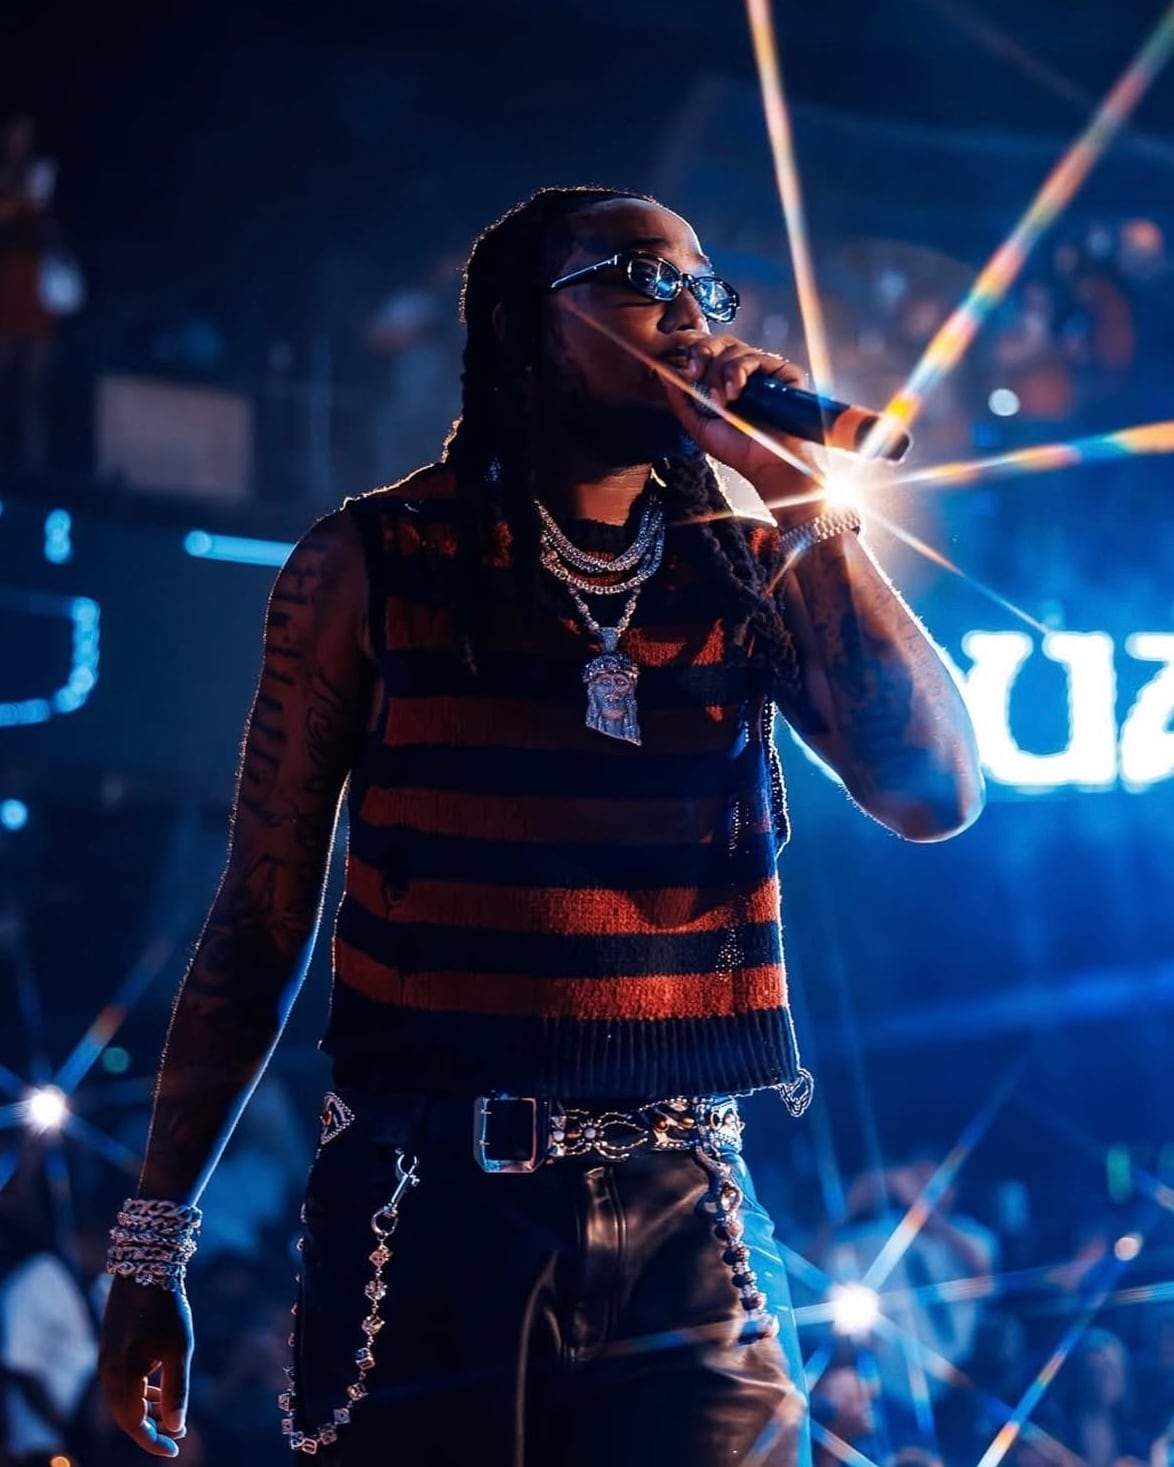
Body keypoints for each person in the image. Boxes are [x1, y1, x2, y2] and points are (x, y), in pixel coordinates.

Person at [97, 186, 984, 1466]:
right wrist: (151, 1248)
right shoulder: (375, 563)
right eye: (642, 277)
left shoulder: (748, 567)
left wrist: (803, 504)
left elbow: (932, 795)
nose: (689, 314)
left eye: (705, 287)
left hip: (692, 1215)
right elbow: (259, 916)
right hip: (427, 1213)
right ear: (523, 324)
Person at [0, 117, 57, 474]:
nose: (17, 142)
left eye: (24, 136)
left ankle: (35, 468)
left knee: (33, 387)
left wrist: (15, 203)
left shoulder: (41, 170)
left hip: (35, 285)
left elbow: (35, 209)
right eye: (13, 135)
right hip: (5, 281)